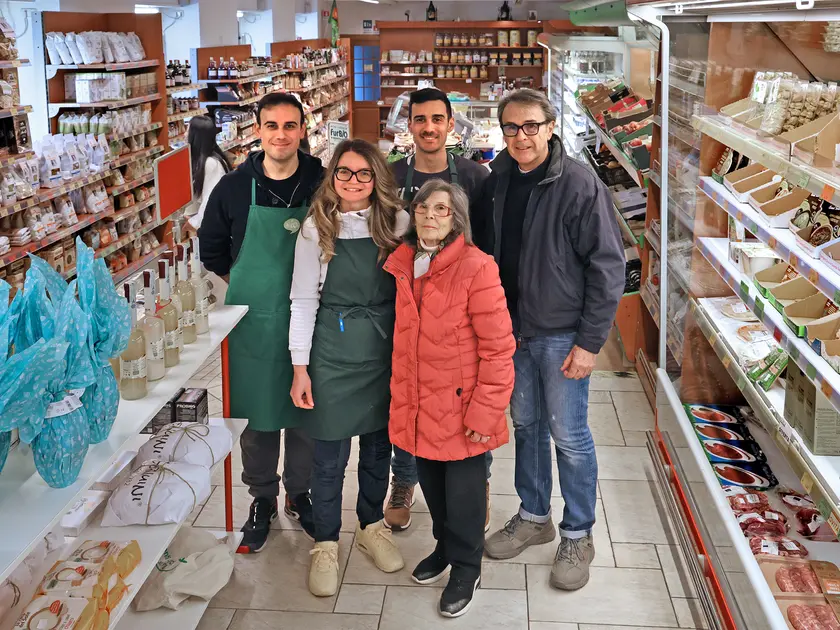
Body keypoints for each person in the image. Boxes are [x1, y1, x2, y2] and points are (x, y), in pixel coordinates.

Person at [478, 89, 625, 591]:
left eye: (531, 126)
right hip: (512, 330)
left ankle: (578, 533)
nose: (521, 136)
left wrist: (590, 342)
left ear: (550, 126)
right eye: (512, 127)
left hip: (561, 333)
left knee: (570, 435)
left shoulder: (578, 183)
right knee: (527, 425)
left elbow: (608, 267)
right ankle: (534, 515)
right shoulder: (498, 178)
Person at [199, 92, 325, 553]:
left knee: (307, 411)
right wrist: (249, 285)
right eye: (271, 125)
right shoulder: (233, 187)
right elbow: (212, 250)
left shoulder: (322, 183)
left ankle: (300, 492)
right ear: (257, 130)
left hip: (313, 316)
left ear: (303, 130)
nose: (281, 135)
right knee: (257, 415)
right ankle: (262, 497)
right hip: (253, 322)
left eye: (290, 126)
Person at [385, 179, 514, 618]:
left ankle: (466, 567)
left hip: (463, 406)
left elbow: (498, 348)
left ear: (457, 218)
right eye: (423, 207)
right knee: (433, 487)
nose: (430, 215)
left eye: (441, 209)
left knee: (464, 495)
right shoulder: (405, 262)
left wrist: (485, 411)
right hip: (419, 401)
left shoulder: (477, 267)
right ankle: (444, 546)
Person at [289, 138, 409, 598]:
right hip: (332, 352)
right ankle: (324, 542)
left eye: (363, 173)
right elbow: (303, 300)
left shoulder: (397, 222)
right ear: (332, 176)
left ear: (376, 178)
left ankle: (371, 525)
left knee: (378, 448)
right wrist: (300, 367)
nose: (353, 181)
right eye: (344, 172)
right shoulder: (315, 227)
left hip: (383, 348)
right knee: (329, 455)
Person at [387, 87, 493, 533]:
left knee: (464, 394)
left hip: (459, 309)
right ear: (409, 124)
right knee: (410, 392)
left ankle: (478, 482)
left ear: (451, 124)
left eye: (437, 119)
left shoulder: (475, 176)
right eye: (420, 119)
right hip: (406, 303)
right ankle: (404, 479)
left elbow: (486, 241)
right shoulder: (391, 175)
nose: (428, 128)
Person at [185, 115, 231, 230]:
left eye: (188, 130)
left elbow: (211, 201)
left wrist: (194, 223)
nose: (185, 134)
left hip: (218, 226)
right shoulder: (205, 160)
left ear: (196, 136)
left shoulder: (211, 164)